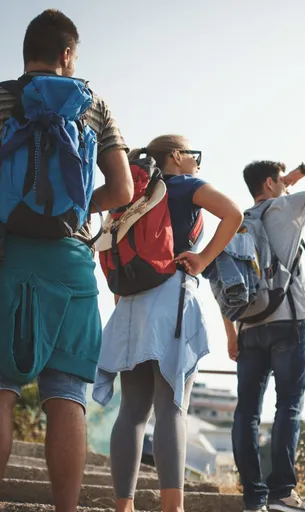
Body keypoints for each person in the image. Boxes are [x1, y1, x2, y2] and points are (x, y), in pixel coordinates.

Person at [0, 10, 133, 512]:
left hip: (2, 253)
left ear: (26, 51)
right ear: (67, 54)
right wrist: (76, 209)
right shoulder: (93, 106)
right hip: (68, 264)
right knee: (66, 394)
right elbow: (123, 189)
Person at [92, 135, 243, 512]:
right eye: (194, 155)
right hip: (170, 299)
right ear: (175, 156)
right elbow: (233, 213)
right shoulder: (186, 185)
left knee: (132, 412)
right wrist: (204, 259)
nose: (196, 162)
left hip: (130, 306)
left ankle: (123, 507)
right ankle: (171, 507)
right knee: (172, 407)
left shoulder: (133, 195)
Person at [226, 160, 305, 512]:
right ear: (269, 182)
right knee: (288, 407)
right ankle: (282, 493)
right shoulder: (285, 206)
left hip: (248, 328)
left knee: (246, 412)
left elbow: (225, 281)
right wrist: (304, 169)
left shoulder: (237, 221)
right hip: (287, 323)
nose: (287, 184)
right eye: (281, 180)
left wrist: (232, 333)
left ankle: (253, 497)